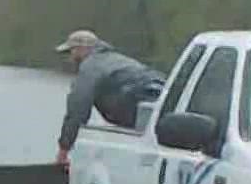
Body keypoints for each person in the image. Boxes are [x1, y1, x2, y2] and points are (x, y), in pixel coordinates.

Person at [53, 29, 167, 168]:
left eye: (70, 52)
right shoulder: (118, 59)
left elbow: (78, 108)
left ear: (81, 49)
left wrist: (63, 150)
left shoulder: (90, 66)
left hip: (136, 95)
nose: (69, 59)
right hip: (162, 92)